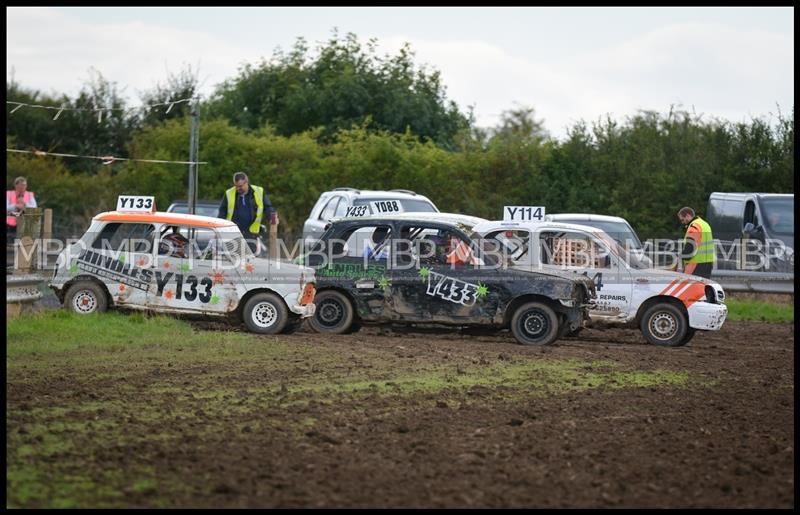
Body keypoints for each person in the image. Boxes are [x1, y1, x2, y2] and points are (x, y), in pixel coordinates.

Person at [218, 172, 276, 254]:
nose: (238, 188)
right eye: (236, 186)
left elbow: (268, 207)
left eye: (240, 186)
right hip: (233, 233)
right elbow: (222, 212)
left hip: (251, 233)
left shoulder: (259, 191)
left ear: (246, 183)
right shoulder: (229, 193)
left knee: (249, 259)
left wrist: (272, 217)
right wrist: (218, 228)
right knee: (233, 257)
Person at [677, 206, 714, 278]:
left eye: (682, 220)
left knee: (690, 287)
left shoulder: (694, 226)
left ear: (688, 215)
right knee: (702, 287)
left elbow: (690, 247)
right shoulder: (705, 224)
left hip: (696, 264)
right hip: (708, 264)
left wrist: (681, 256)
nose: (683, 222)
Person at [7, 176, 37, 242]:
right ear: (16, 185)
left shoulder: (29, 194)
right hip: (9, 225)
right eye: (21, 185)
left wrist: (25, 204)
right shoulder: (9, 194)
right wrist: (16, 206)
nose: (23, 187)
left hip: (25, 224)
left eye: (25, 185)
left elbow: (34, 208)